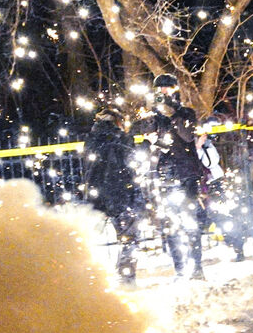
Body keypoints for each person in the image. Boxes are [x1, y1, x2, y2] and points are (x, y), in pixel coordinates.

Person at [144, 73, 207, 280]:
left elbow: (187, 136)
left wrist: (173, 112)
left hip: (187, 174)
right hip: (166, 176)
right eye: (159, 89)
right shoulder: (154, 117)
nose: (163, 92)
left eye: (167, 88)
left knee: (190, 222)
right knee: (170, 225)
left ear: (174, 90)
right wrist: (153, 136)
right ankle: (180, 270)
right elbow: (154, 143)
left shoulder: (186, 113)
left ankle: (197, 268)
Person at [82, 105, 145, 286]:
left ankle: (94, 279)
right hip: (122, 195)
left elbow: (88, 168)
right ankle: (126, 278)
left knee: (95, 241)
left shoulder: (91, 140)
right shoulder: (122, 138)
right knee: (129, 239)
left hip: (97, 196)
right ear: (118, 122)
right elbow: (132, 164)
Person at [196, 121, 247, 261]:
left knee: (223, 216)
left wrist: (200, 146)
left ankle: (237, 245)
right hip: (201, 186)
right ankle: (234, 242)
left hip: (214, 184)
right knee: (214, 217)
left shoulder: (207, 146)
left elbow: (211, 162)